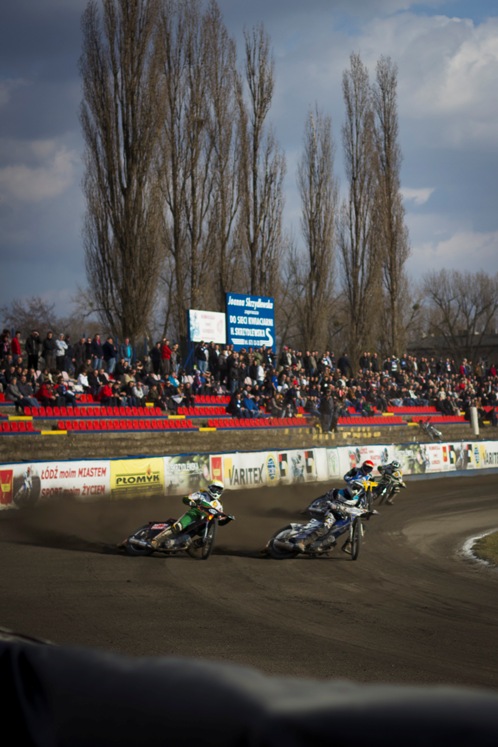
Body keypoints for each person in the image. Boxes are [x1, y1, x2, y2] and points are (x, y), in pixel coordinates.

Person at [150, 480, 229, 549]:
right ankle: (156, 540)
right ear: (210, 487)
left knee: (208, 536)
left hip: (204, 523)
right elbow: (186, 498)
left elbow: (219, 519)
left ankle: (192, 546)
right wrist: (190, 502)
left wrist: (226, 519)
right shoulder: (201, 494)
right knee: (178, 527)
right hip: (193, 515)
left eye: (219, 490)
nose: (217, 492)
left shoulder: (219, 504)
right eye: (215, 489)